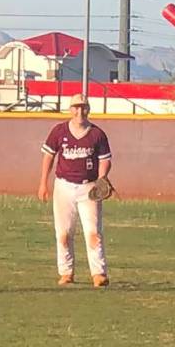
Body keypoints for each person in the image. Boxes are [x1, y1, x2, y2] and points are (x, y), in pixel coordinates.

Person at [37, 94, 112, 287]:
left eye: (83, 107)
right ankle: (66, 272)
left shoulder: (97, 134)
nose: (80, 111)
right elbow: (48, 157)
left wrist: (102, 178)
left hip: (89, 187)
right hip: (64, 186)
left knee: (93, 232)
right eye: (76, 107)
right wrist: (43, 183)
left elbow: (104, 159)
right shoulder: (59, 131)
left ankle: (98, 274)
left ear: (88, 109)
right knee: (63, 232)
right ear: (70, 109)